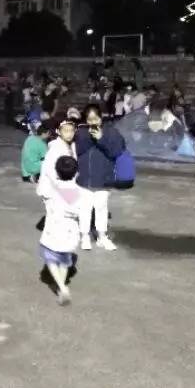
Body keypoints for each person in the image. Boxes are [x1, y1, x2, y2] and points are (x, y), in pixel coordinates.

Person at [74, 104, 124, 251]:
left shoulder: (111, 132)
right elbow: (78, 150)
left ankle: (102, 236)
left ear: (101, 118)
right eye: (89, 120)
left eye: (95, 119)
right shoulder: (81, 133)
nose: (93, 122)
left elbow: (116, 151)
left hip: (103, 179)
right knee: (85, 209)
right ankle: (84, 236)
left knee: (101, 208)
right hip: (85, 179)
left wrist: (101, 139)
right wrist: (91, 138)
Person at [37, 156, 84, 305]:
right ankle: (61, 284)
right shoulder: (80, 193)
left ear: (57, 172)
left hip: (53, 232)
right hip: (70, 234)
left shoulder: (52, 191)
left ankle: (62, 287)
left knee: (50, 259)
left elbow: (42, 193)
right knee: (64, 261)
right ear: (76, 173)